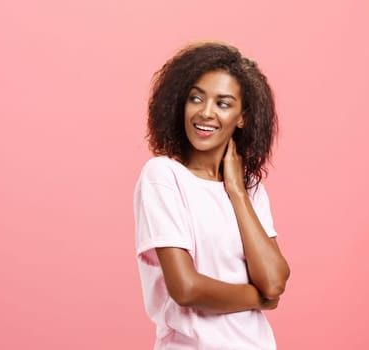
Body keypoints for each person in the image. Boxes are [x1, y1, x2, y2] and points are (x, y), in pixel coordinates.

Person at [134, 42, 291, 350]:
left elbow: (274, 279)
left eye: (223, 103)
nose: (205, 113)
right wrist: (259, 298)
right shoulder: (163, 177)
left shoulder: (250, 189)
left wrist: (235, 191)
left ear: (242, 117)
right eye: (196, 98)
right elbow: (186, 288)